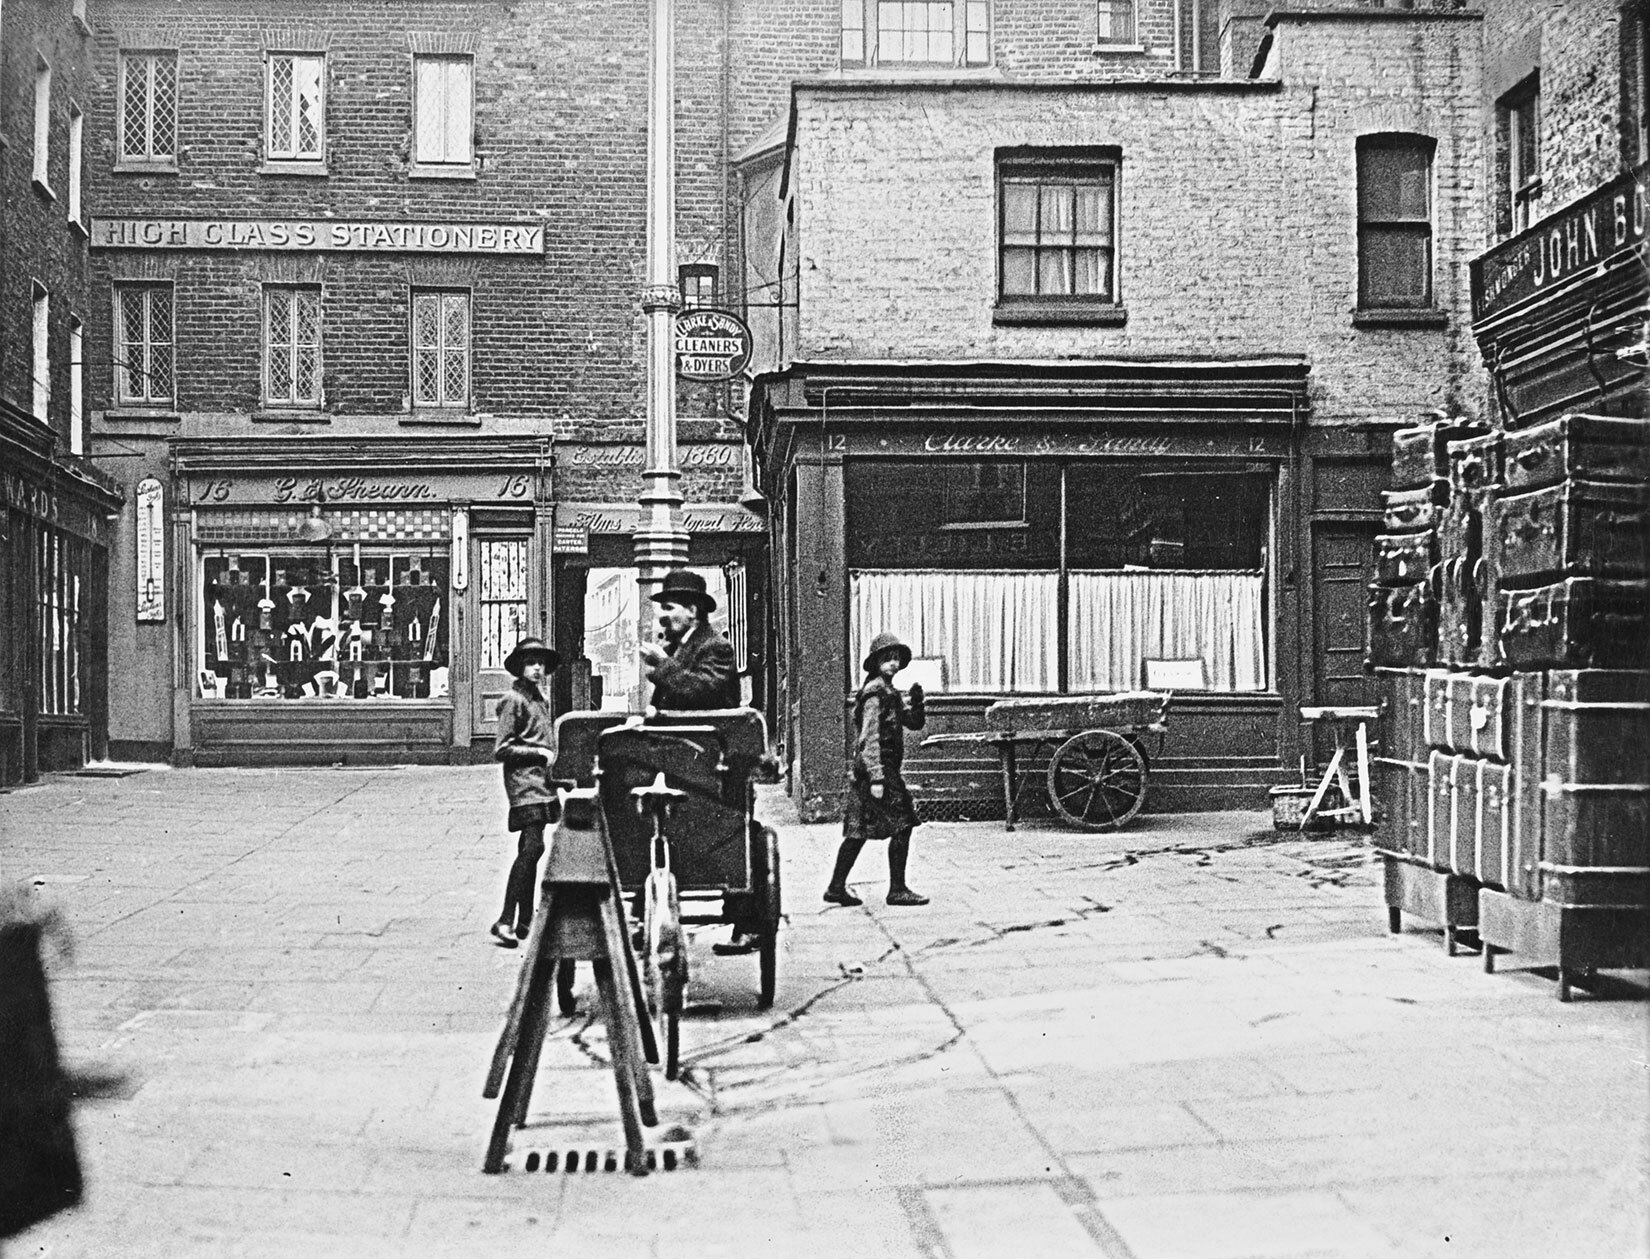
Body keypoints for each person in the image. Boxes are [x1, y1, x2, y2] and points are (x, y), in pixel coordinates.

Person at [826, 632, 930, 907]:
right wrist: (877, 777)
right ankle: (897, 889)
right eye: (888, 659)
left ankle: (836, 887)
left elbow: (913, 723)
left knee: (858, 830)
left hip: (875, 771)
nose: (894, 663)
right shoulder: (875, 692)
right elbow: (868, 738)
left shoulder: (888, 691)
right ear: (876, 663)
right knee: (904, 823)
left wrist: (918, 702)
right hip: (879, 770)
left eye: (896, 659)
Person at [491, 636, 561, 948]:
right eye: (531, 663)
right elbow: (502, 748)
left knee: (530, 848)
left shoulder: (538, 699)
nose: (536, 669)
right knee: (533, 848)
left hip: (541, 783)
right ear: (520, 667)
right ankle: (506, 919)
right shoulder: (514, 700)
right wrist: (538, 755)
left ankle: (525, 920)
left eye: (541, 664)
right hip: (524, 783)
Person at [638, 569, 740, 711]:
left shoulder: (716, 646)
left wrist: (662, 663)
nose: (662, 616)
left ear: (692, 611)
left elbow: (705, 695)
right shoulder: (676, 649)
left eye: (669, 608)